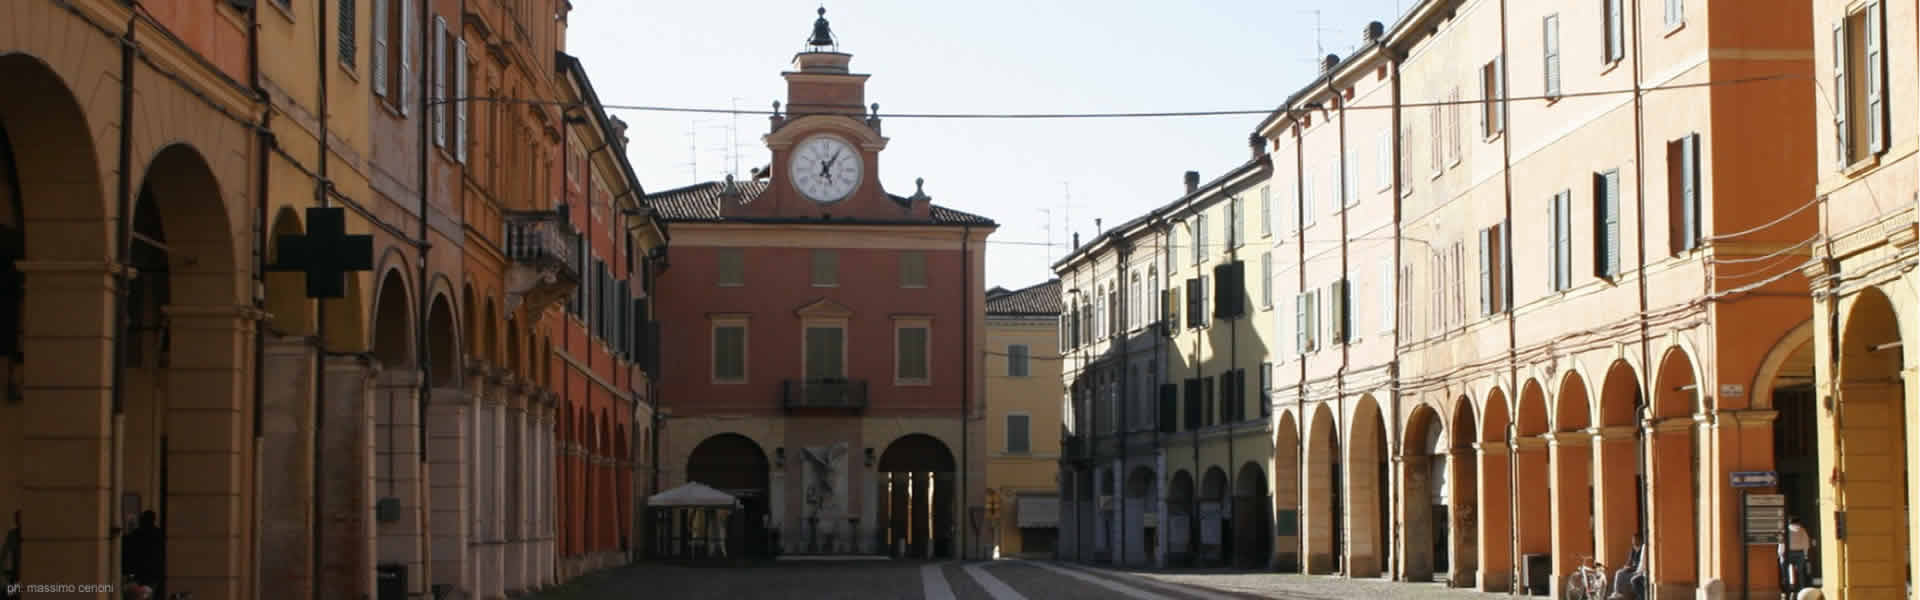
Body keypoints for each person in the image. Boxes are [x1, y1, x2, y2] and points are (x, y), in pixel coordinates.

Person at [122, 511, 163, 593]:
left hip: (139, 572)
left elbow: (127, 546)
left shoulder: (137, 533)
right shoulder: (159, 534)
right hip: (154, 573)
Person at [1780, 515, 1814, 594]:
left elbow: (1782, 543)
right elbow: (1806, 543)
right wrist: (1805, 554)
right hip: (1800, 553)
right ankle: (1802, 589)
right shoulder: (1802, 530)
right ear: (1798, 522)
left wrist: (1780, 553)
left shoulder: (1785, 530)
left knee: (1785, 571)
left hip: (1788, 553)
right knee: (1800, 572)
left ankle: (1787, 589)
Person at [1612, 532, 1647, 600]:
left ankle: (1621, 594)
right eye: (1633, 539)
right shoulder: (1633, 549)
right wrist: (1626, 566)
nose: (1633, 541)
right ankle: (1617, 593)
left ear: (1640, 540)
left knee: (1621, 575)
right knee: (1619, 572)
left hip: (1637, 571)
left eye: (1635, 539)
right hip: (1631, 570)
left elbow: (1640, 565)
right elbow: (1629, 561)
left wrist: (1631, 568)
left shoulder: (1643, 549)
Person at [2, 510, 20, 599]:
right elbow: (3, 556)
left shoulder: (12, 534)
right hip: (16, 576)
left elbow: (3, 556)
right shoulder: (12, 535)